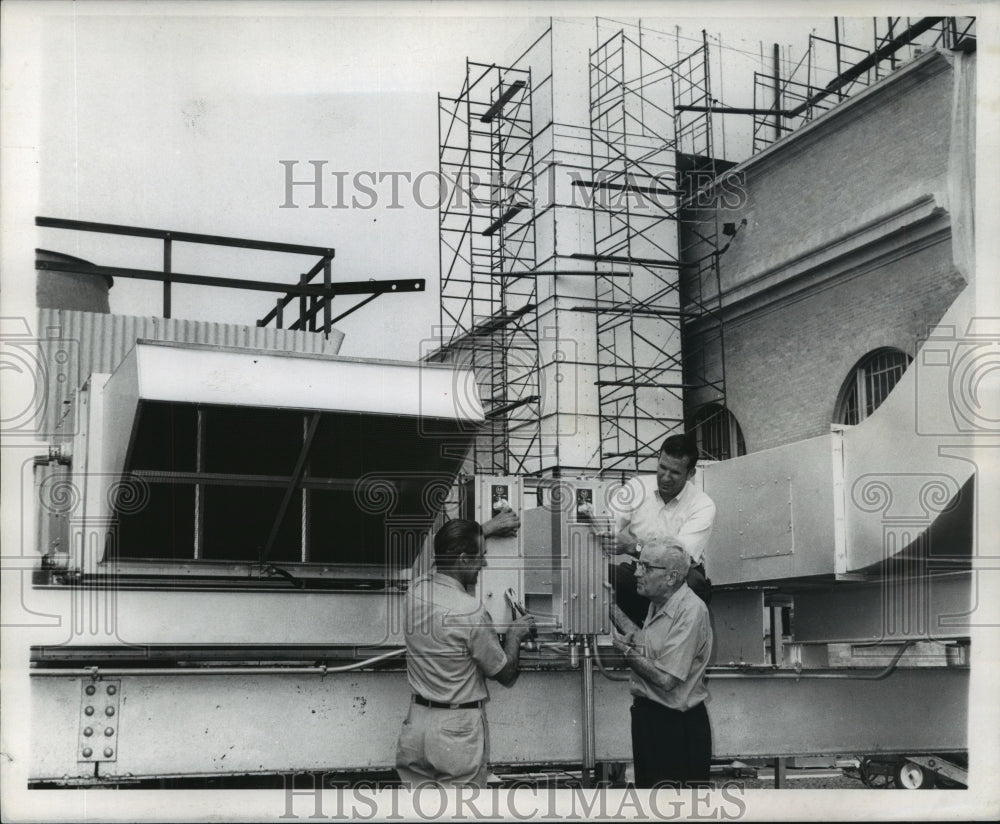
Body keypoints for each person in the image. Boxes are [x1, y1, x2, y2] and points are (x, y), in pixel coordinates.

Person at [395, 519, 535, 787]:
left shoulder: (416, 591)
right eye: (480, 556)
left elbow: (438, 560)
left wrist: (487, 528)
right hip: (456, 731)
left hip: (416, 727)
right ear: (462, 559)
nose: (484, 564)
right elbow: (505, 674)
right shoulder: (470, 611)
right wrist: (515, 635)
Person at [610, 542, 713, 788]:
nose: (636, 573)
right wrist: (608, 607)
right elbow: (646, 646)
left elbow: (667, 679)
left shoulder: (690, 611)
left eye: (645, 567)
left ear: (671, 577)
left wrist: (624, 651)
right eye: (638, 565)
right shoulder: (659, 603)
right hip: (651, 721)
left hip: (676, 729)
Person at [600, 433, 716, 624]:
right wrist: (603, 534)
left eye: (675, 473)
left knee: (693, 586)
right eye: (662, 467)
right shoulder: (637, 487)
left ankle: (671, 639)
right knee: (601, 576)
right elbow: (607, 524)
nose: (666, 477)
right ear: (658, 459)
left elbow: (677, 560)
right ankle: (630, 634)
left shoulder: (703, 505)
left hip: (681, 574)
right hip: (641, 569)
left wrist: (633, 547)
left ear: (691, 474)